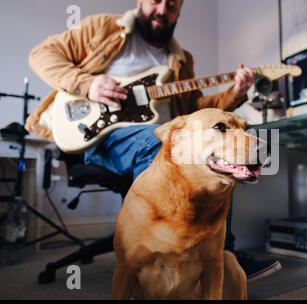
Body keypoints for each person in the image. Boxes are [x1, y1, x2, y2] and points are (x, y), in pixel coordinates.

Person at [26, 0, 281, 282]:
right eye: (156, 1)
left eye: (172, 6)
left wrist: (235, 91)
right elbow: (41, 54)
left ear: (180, 10)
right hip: (102, 137)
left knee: (215, 158)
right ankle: (174, 257)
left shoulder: (182, 59)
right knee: (164, 146)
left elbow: (194, 110)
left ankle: (215, 254)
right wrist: (89, 84)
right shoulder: (102, 28)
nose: (162, 9)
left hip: (157, 133)